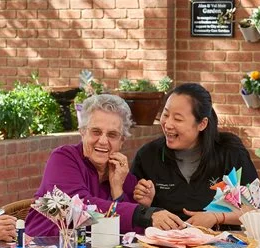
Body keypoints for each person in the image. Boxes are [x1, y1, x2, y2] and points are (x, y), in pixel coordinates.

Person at [25, 94, 180, 237]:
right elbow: (77, 209)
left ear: (122, 141)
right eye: (96, 132)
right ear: (82, 132)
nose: (103, 141)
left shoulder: (124, 177)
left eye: (112, 135)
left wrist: (118, 191)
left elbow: (130, 234)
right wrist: (142, 213)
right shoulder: (63, 159)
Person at [131, 83, 258, 230]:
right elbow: (128, 209)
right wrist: (145, 206)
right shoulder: (148, 155)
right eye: (165, 115)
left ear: (202, 124)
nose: (167, 124)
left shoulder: (230, 152)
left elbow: (254, 210)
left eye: (178, 119)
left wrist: (216, 217)